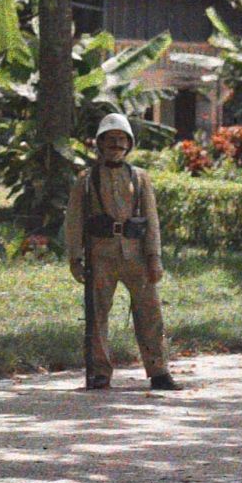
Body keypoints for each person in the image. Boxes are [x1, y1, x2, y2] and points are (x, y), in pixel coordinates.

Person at [64, 112, 177, 391]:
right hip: (100, 255)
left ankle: (159, 371)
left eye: (121, 139)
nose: (116, 144)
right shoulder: (86, 180)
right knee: (97, 315)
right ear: (100, 144)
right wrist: (74, 258)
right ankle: (99, 372)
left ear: (129, 145)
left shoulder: (140, 178)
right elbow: (75, 220)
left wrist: (155, 257)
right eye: (110, 139)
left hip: (136, 255)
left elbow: (151, 220)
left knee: (150, 313)